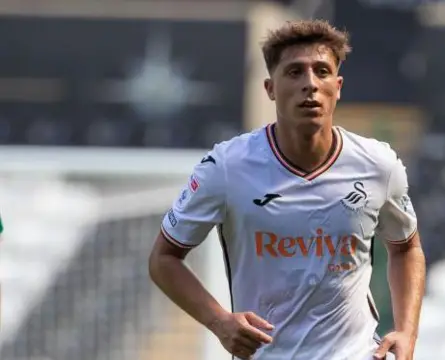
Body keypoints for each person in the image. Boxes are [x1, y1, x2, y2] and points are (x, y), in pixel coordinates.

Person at [149, 19, 426, 360]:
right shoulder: (227, 167)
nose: (310, 84)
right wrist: (219, 321)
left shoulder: (378, 165)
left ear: (337, 86)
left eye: (321, 71)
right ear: (270, 88)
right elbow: (163, 258)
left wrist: (407, 331)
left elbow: (406, 248)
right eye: (295, 72)